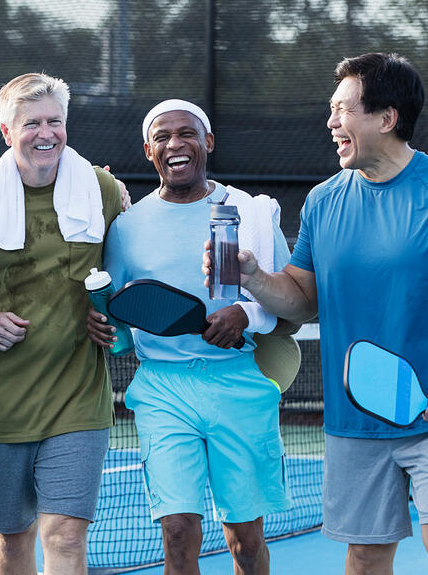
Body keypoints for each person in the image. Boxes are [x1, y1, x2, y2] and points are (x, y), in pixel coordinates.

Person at [205, 53, 428, 574]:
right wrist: (254, 277)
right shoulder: (324, 202)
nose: (330, 123)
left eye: (342, 110)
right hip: (354, 421)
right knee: (367, 557)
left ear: (387, 118)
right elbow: (303, 300)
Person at [88, 99, 297, 575]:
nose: (175, 144)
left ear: (208, 143)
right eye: (162, 137)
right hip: (162, 389)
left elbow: (293, 309)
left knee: (244, 539)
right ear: (148, 150)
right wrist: (103, 326)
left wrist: (245, 314)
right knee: (177, 532)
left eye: (187, 134)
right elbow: (121, 314)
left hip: (239, 384)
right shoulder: (125, 228)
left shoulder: (252, 215)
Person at [0, 72, 127, 575]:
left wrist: (111, 314)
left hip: (77, 399)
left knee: (65, 535)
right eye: (31, 122)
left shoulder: (101, 189)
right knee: (12, 544)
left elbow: (127, 269)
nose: (46, 133)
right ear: (7, 131)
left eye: (55, 121)